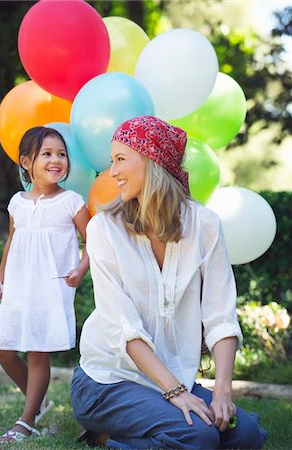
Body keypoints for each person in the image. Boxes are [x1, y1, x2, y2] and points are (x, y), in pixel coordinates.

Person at [71, 115, 268, 450]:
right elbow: (124, 329)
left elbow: (220, 316)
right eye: (111, 161)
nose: (113, 172)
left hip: (169, 379)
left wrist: (222, 391)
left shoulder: (205, 225)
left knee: (246, 435)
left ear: (153, 160)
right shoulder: (104, 229)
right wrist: (176, 393)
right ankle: (116, 438)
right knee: (201, 436)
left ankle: (129, 434)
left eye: (121, 159)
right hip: (107, 381)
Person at [0, 126, 91, 443]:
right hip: (20, 285)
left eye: (61, 154)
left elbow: (94, 241)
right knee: (2, 348)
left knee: (37, 351)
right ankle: (40, 404)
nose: (56, 160)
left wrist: (80, 268)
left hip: (51, 286)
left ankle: (26, 420)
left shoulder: (71, 202)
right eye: (46, 154)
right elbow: (12, 241)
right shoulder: (17, 203)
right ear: (25, 162)